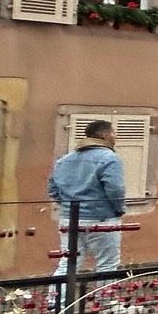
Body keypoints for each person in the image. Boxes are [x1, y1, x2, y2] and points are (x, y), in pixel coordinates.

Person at [48, 119, 128, 279]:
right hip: (102, 218)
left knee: (68, 263)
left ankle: (55, 302)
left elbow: (53, 188)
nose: (115, 136)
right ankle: (105, 302)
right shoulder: (110, 158)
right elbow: (115, 189)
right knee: (107, 265)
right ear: (105, 135)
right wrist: (119, 209)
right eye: (114, 132)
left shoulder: (64, 159)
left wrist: (65, 205)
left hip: (69, 218)